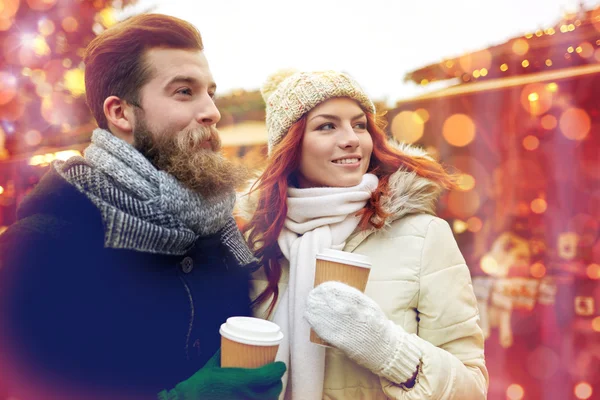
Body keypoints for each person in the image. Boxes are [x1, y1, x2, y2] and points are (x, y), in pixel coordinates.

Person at [0, 14, 285, 400]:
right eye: (184, 91)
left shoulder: (219, 233)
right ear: (120, 113)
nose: (212, 112)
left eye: (210, 93)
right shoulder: (36, 248)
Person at [238, 70, 489, 399]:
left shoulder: (424, 235)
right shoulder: (254, 242)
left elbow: (472, 388)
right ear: (290, 146)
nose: (352, 138)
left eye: (359, 124)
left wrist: (389, 351)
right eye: (327, 125)